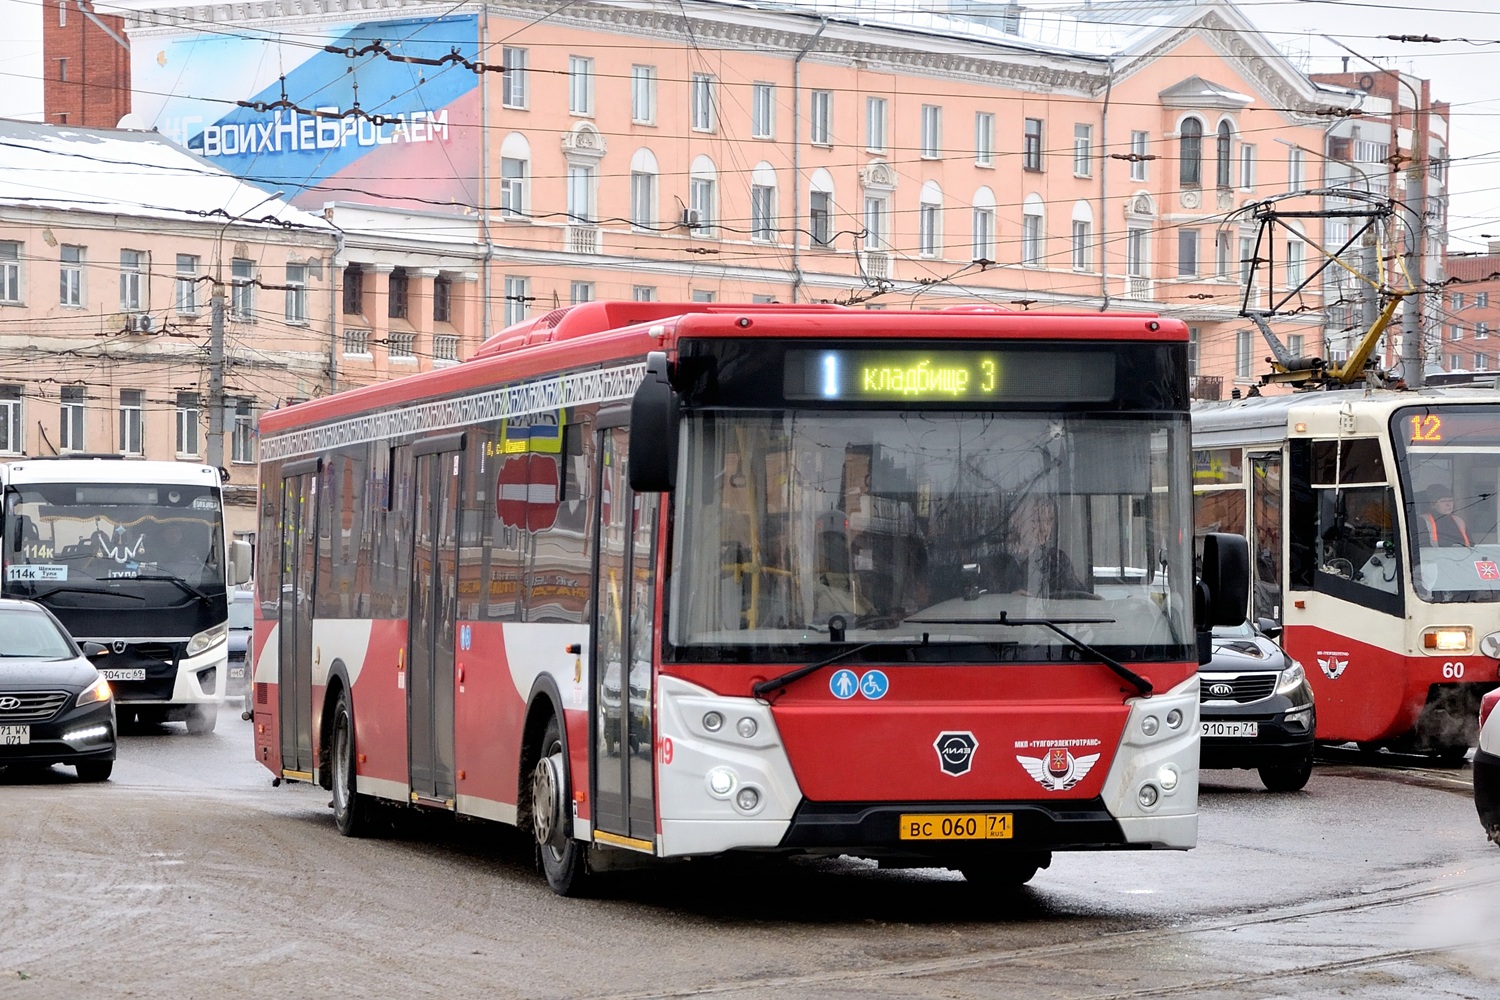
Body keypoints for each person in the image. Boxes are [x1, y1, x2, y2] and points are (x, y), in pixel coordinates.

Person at [991, 495, 1087, 597]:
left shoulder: (1057, 561)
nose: (1045, 528)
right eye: (1036, 520)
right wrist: (1007, 600)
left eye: (1049, 520)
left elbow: (1076, 596)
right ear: (1015, 519)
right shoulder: (992, 563)